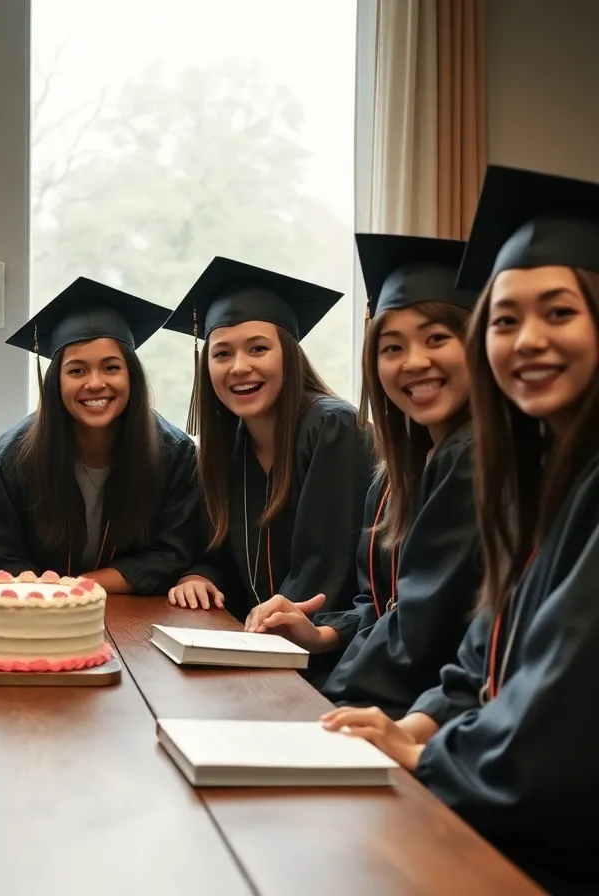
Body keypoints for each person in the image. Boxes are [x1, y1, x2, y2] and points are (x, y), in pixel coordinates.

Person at [322, 165, 599, 894]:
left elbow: (564, 699)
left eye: (560, 313)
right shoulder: (540, 476)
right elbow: (486, 649)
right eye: (505, 321)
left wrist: (427, 753)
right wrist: (421, 723)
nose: (527, 340)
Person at [245, 235, 480, 719]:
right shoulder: (395, 473)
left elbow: (428, 625)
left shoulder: (472, 458)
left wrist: (329, 701)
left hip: (428, 706)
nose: (414, 362)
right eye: (392, 347)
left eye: (437, 338)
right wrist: (321, 633)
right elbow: (378, 602)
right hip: (391, 694)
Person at [164, 258, 373, 662]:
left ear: (289, 355)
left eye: (258, 348)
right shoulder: (229, 444)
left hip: (334, 652)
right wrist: (200, 575)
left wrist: (259, 637)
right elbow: (219, 550)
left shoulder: (332, 427)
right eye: (222, 353)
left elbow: (325, 569)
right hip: (266, 645)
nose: (240, 367)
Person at [0, 277, 197, 592]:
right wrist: (59, 597)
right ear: (56, 381)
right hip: (36, 616)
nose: (95, 383)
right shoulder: (6, 461)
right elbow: (4, 559)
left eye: (111, 368)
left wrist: (75, 588)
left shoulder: (174, 454)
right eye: (77, 370)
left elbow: (171, 554)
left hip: (136, 615)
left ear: (131, 375)